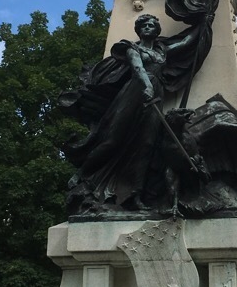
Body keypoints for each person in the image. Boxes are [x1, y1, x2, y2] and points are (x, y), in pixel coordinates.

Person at [61, 13, 211, 215]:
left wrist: (204, 24)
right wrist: (147, 86)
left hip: (155, 96)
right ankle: (83, 173)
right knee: (112, 140)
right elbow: (138, 69)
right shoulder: (132, 49)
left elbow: (184, 43)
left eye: (152, 25)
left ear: (157, 31)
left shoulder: (162, 51)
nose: (148, 27)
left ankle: (135, 195)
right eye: (144, 24)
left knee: (146, 146)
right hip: (133, 94)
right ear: (139, 30)